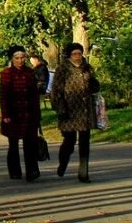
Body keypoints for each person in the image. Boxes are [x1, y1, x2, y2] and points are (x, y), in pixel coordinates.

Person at [50, 42, 100, 182]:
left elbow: (92, 84)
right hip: (68, 110)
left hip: (85, 110)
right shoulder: (62, 69)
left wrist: (95, 85)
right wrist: (60, 109)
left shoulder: (87, 68)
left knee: (85, 143)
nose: (78, 57)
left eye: (79, 53)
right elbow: (56, 91)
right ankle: (63, 162)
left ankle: (83, 173)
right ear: (69, 55)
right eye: (75, 54)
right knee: (69, 141)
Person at [0, 45, 41, 181]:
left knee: (30, 143)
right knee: (13, 144)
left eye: (23, 58)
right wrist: (5, 114)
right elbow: (3, 95)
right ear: (12, 59)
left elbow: (34, 95)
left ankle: (32, 171)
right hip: (13, 113)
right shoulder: (6, 74)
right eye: (17, 58)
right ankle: (15, 171)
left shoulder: (30, 73)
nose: (20, 60)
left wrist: (37, 114)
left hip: (29, 113)